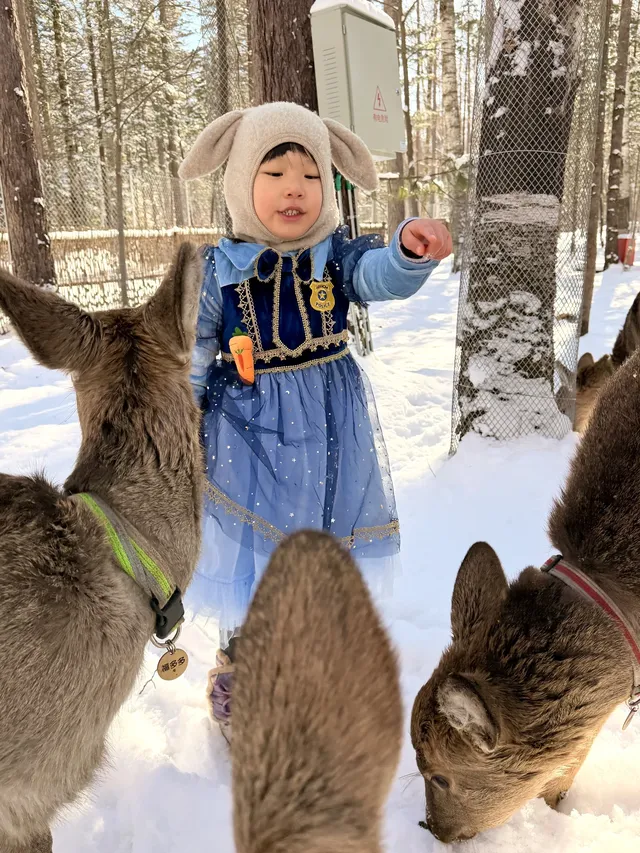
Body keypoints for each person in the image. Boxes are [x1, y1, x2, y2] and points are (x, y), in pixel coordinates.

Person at [178, 102, 451, 740]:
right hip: (249, 437)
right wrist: (181, 421)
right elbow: (191, 354)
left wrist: (407, 250)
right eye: (274, 173)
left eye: (309, 172)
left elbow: (379, 275)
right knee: (256, 557)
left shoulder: (336, 258)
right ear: (240, 182)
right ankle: (242, 666)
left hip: (332, 430)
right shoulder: (218, 271)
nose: (294, 187)